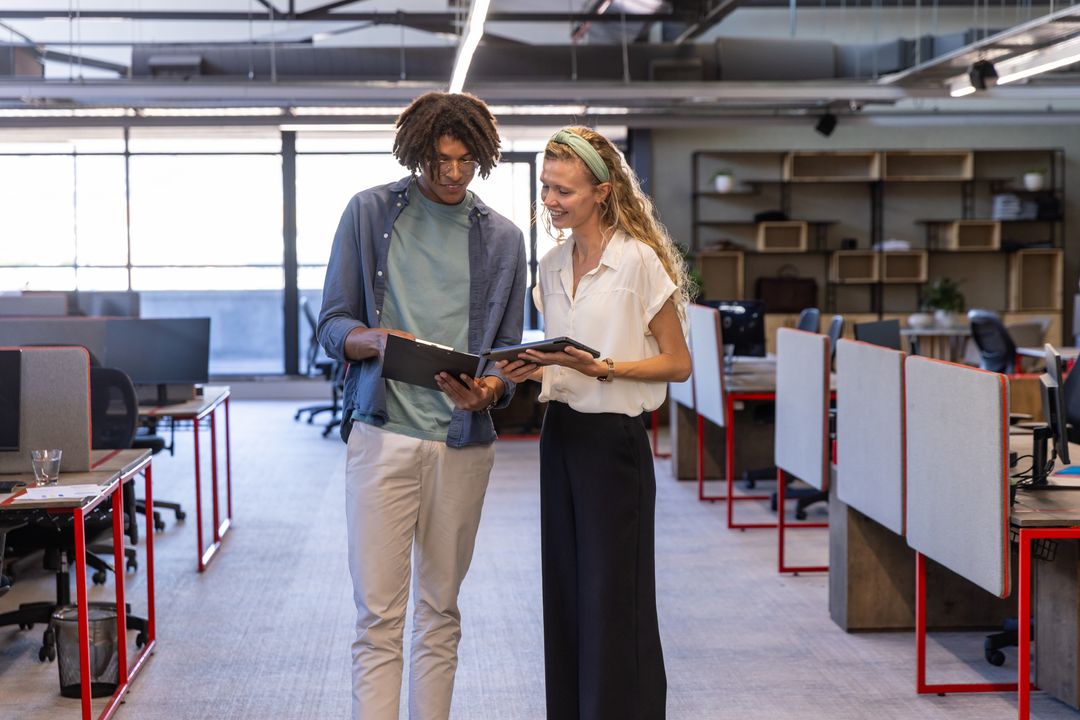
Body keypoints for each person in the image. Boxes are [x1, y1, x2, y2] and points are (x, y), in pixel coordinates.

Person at [317, 92, 527, 720]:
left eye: (466, 160)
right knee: (378, 613)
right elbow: (332, 325)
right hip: (383, 433)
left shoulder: (505, 240)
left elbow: (507, 358)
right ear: (415, 154)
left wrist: (491, 389)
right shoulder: (368, 213)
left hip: (462, 443)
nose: (454, 173)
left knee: (440, 611)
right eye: (439, 160)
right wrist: (374, 340)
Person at [497, 126, 692, 720]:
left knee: (613, 593)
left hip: (615, 445)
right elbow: (561, 368)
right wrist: (526, 369)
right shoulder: (553, 265)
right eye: (546, 188)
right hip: (561, 437)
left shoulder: (638, 261)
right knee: (566, 588)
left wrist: (603, 367)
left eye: (564, 191)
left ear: (602, 191)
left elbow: (678, 364)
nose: (551, 201)